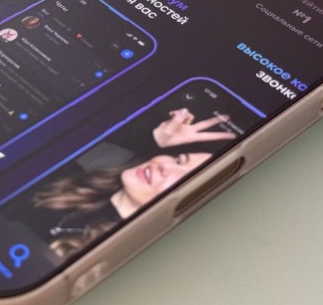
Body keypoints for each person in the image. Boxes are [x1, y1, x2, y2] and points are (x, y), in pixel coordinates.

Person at [31, 110, 235, 258]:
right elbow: (45, 137)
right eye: (179, 160)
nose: (166, 167)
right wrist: (152, 138)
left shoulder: (110, 255)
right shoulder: (71, 180)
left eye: (184, 178)